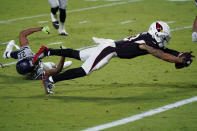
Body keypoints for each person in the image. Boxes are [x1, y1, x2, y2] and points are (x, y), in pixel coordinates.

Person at [33, 21, 194, 94]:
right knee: (86, 70)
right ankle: (50, 81)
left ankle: (48, 51)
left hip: (110, 46)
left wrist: (178, 54)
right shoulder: (147, 43)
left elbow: (165, 50)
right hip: (110, 49)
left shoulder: (149, 38)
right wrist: (178, 60)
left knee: (79, 55)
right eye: (164, 37)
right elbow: (161, 54)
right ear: (158, 34)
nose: (165, 40)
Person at [3, 26, 72, 83]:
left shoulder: (25, 55)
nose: (33, 61)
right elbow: (57, 70)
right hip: (42, 68)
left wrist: (41, 28)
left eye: (31, 61)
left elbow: (22, 34)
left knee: (22, 51)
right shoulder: (38, 73)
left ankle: (7, 54)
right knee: (52, 65)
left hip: (25, 60)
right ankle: (59, 65)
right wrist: (63, 54)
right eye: (33, 64)